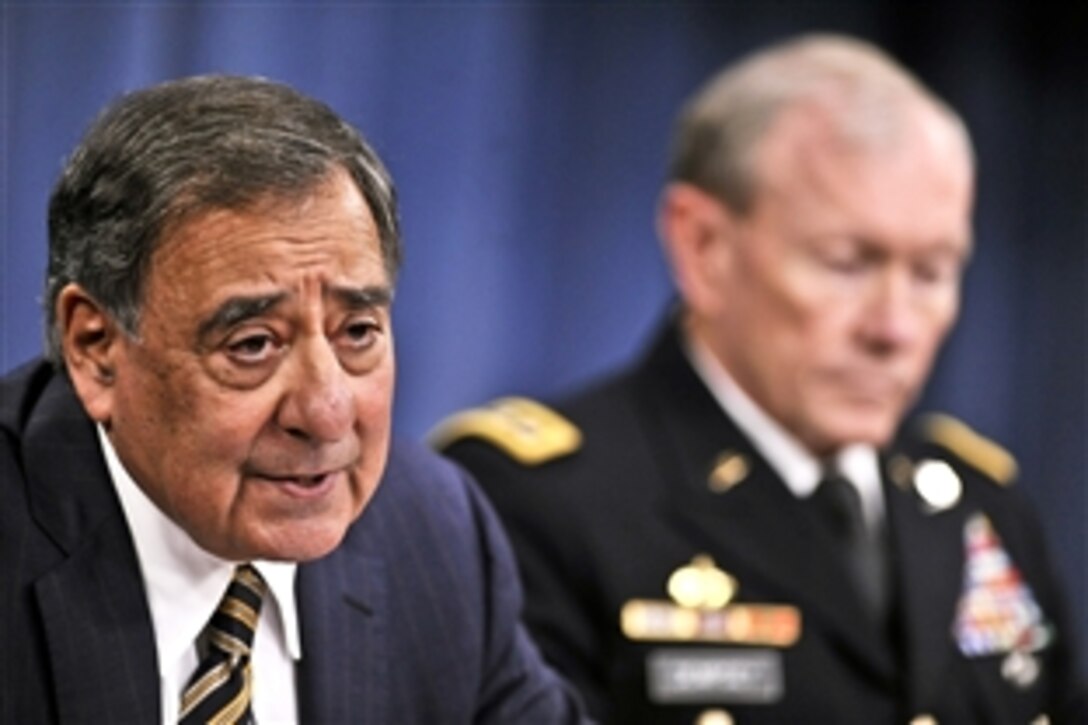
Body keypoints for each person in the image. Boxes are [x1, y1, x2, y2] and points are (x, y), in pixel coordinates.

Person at [434, 34, 1086, 724]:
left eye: (932, 272)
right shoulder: (531, 505)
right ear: (704, 246)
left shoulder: (982, 505)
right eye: (846, 262)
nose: (894, 327)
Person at [0, 74, 589, 724]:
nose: (327, 411)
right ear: (96, 347)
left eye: (358, 332)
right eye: (253, 344)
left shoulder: (433, 533)